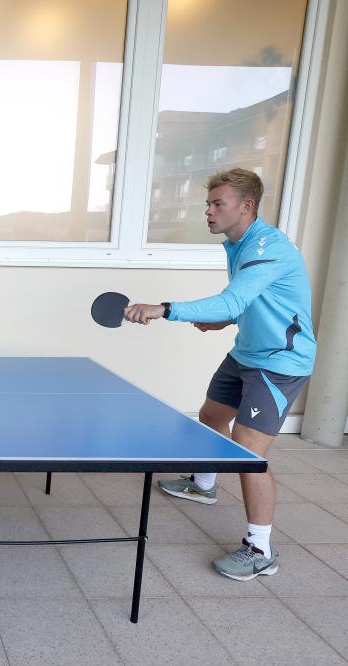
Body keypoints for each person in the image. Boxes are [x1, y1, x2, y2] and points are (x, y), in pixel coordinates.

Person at [124, 168, 315, 581]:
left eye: (217, 204)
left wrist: (164, 308)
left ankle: (260, 549)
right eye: (208, 204)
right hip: (247, 351)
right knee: (211, 416)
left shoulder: (269, 248)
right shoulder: (238, 243)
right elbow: (253, 300)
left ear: (246, 206)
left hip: (279, 362)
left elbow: (231, 301)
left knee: (249, 453)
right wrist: (226, 322)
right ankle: (204, 483)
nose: (208, 212)